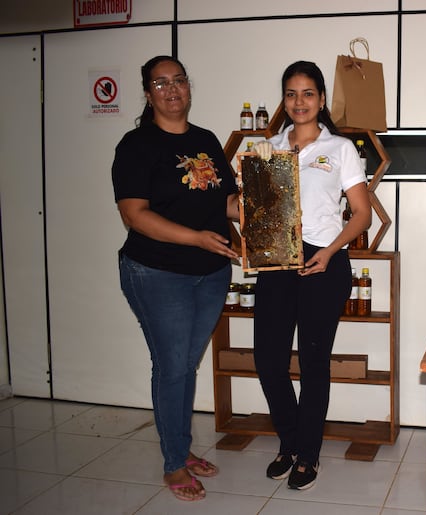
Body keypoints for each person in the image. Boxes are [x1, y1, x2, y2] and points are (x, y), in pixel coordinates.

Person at [112, 55, 241, 502]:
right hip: (156, 272)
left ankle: (182, 450)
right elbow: (134, 215)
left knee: (186, 364)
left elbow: (227, 203)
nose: (171, 89)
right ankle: (173, 464)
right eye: (160, 83)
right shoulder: (136, 145)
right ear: (148, 94)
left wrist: (274, 214)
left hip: (209, 273)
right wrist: (196, 239)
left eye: (179, 81)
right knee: (171, 367)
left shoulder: (205, 140)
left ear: (189, 87)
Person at [251, 60, 371, 490]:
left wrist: (331, 251)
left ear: (321, 99)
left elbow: (361, 214)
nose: (299, 102)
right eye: (290, 94)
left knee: (313, 362)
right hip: (278, 261)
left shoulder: (340, 149)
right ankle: (290, 440)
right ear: (284, 101)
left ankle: (309, 454)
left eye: (307, 94)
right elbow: (255, 209)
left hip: (324, 260)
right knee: (268, 359)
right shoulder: (268, 148)